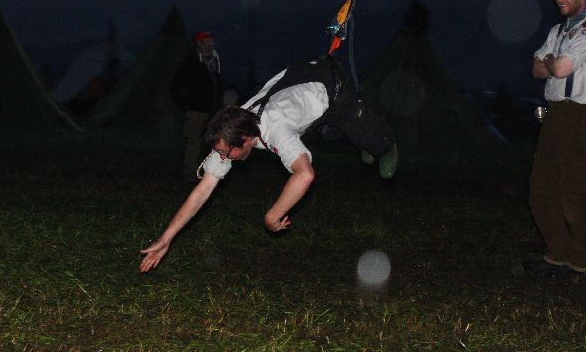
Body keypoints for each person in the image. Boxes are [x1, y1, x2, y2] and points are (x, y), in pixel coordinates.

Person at [140, 55, 398, 273]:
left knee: (372, 139)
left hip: (331, 89)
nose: (223, 158)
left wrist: (272, 215)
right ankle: (367, 144)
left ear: (245, 140)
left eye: (226, 153)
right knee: (346, 136)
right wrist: (166, 238)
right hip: (299, 86)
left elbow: (305, 175)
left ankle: (381, 147)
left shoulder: (276, 129)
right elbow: (203, 190)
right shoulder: (236, 124)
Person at [529, 0, 586, 274]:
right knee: (540, 189)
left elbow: (559, 69)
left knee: (574, 191)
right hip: (555, 115)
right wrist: (551, 63)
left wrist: (549, 61)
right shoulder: (558, 31)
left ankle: (579, 259)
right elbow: (536, 69)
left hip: (581, 117)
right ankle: (557, 251)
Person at [171, 31, 223, 182]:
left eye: (211, 40)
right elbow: (175, 85)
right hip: (196, 110)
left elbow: (217, 83)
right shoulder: (191, 62)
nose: (210, 43)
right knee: (194, 142)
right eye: (207, 41)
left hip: (213, 110)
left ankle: (209, 172)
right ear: (199, 43)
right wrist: (186, 104)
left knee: (211, 142)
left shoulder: (215, 60)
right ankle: (190, 173)